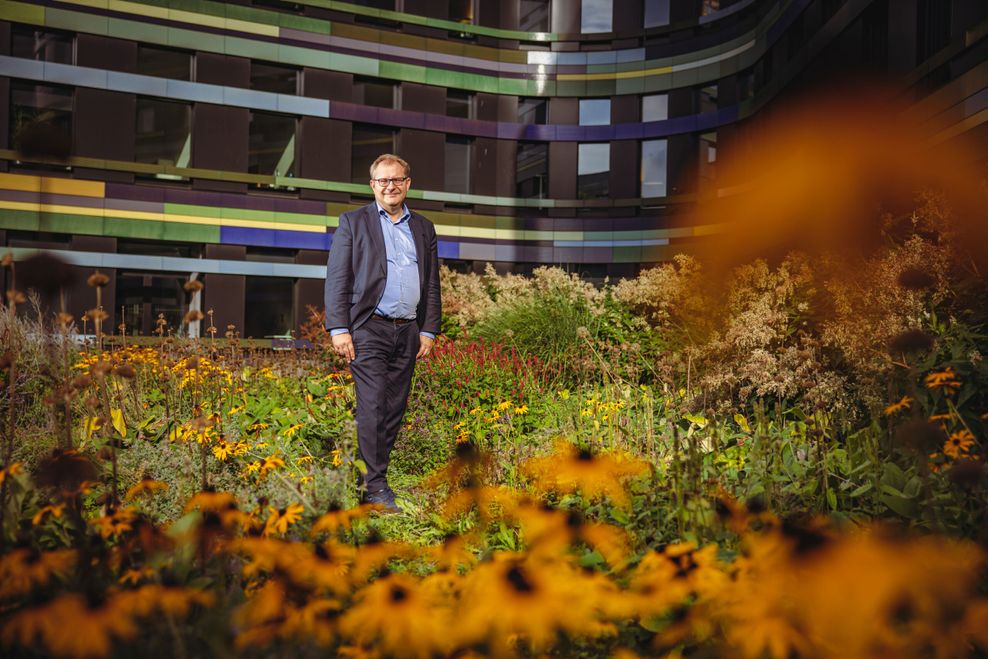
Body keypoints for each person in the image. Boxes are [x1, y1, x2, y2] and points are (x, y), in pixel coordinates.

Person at [324, 154, 441, 511]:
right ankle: (373, 489)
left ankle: (371, 479)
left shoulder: (423, 227)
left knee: (393, 408)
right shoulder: (353, 222)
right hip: (368, 329)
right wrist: (339, 328)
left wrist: (430, 330)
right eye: (383, 181)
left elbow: (432, 283)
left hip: (408, 330)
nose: (390, 186)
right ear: (372, 185)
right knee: (373, 405)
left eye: (397, 180)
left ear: (408, 183)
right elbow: (338, 278)